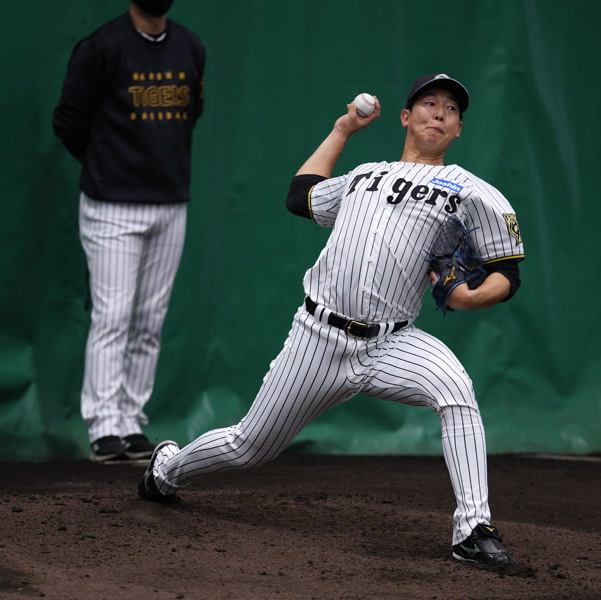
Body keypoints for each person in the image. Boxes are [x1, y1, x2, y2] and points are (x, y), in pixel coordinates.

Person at [137, 73, 525, 566]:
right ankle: (166, 471)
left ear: (459, 129)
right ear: (406, 117)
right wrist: (342, 130)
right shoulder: (365, 175)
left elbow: (507, 273)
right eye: (430, 103)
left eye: (451, 109)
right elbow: (300, 196)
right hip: (318, 337)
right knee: (249, 446)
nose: (440, 113)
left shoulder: (472, 192)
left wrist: (470, 298)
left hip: (391, 342)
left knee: (455, 390)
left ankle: (473, 528)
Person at [52, 0, 205, 463]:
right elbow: (68, 122)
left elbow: (192, 112)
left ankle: (131, 421)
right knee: (113, 316)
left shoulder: (190, 47)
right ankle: (103, 426)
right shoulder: (101, 48)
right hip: (112, 204)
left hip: (170, 202)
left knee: (149, 319)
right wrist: (108, 165)